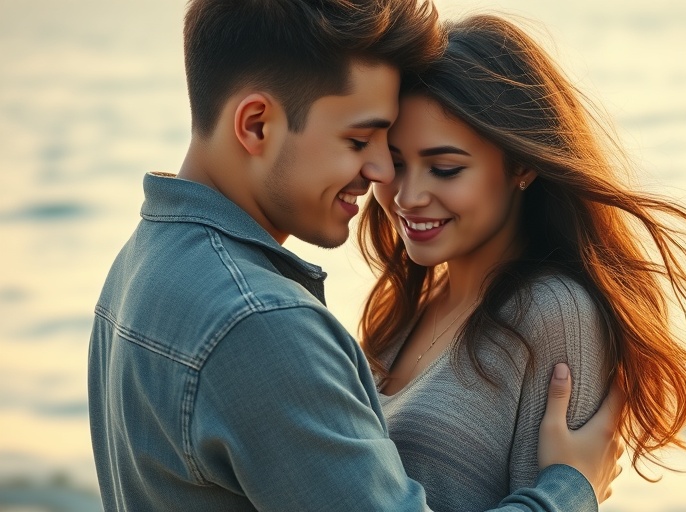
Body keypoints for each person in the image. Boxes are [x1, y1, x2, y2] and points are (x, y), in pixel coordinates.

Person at [87, 1, 624, 511]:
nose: (384, 177)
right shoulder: (259, 322)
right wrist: (569, 492)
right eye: (360, 140)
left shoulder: (140, 268)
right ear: (255, 125)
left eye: (443, 167)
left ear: (521, 166)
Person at [358, 14, 686, 511]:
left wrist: (568, 492)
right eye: (394, 162)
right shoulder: (402, 311)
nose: (408, 195)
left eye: (445, 169)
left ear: (522, 164)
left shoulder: (554, 314)